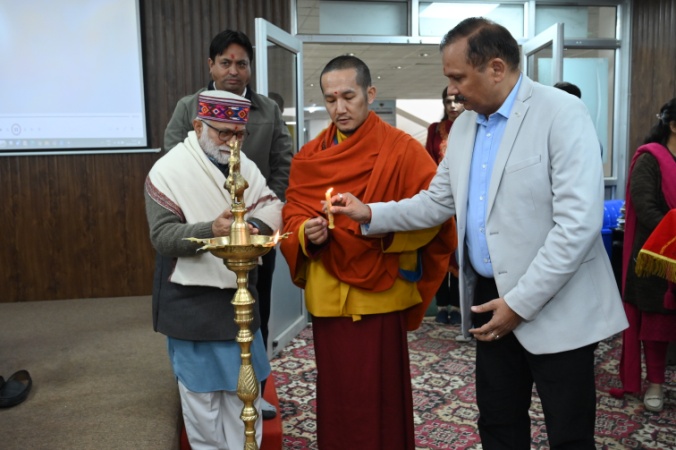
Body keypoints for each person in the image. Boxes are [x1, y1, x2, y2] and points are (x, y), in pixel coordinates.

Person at [332, 17, 628, 450]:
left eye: (457, 77)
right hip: (490, 296)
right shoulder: (466, 127)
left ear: (495, 68)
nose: (452, 90)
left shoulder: (561, 113)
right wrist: (369, 212)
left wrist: (520, 304)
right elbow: (436, 201)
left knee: (569, 431)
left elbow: (577, 225)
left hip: (556, 299)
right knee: (498, 422)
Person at [279, 55, 456, 450]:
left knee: (382, 398)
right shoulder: (309, 157)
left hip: (380, 293)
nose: (339, 109)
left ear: (370, 94)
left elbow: (436, 216)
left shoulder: (402, 150)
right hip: (329, 296)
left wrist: (378, 231)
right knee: (338, 396)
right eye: (330, 99)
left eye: (348, 96)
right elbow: (291, 213)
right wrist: (307, 234)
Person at [164, 29, 293, 418]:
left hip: (254, 233)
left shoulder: (267, 110)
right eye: (226, 62)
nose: (234, 71)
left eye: (242, 63)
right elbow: (172, 164)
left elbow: (283, 166)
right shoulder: (189, 107)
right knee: (204, 315)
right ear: (211, 66)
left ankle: (258, 391)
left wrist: (260, 220)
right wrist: (205, 218)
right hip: (203, 232)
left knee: (257, 312)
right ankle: (201, 389)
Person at [145, 90, 283, 449]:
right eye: (223, 133)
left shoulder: (245, 166)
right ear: (198, 126)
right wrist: (213, 229)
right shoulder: (168, 170)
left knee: (242, 404)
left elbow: (271, 206)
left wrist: (252, 229)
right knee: (203, 410)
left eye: (239, 134)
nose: (232, 143)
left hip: (237, 304)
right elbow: (162, 237)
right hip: (190, 306)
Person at [610, 97, 676, 412]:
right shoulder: (651, 159)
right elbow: (646, 207)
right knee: (657, 324)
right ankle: (655, 384)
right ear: (673, 125)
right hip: (656, 257)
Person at [425, 87, 465, 326]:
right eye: (448, 101)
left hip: (465, 201)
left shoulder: (472, 125)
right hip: (440, 198)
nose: (452, 106)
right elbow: (428, 160)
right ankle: (441, 306)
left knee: (462, 254)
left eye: (457, 101)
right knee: (440, 251)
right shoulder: (434, 130)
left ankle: (460, 307)